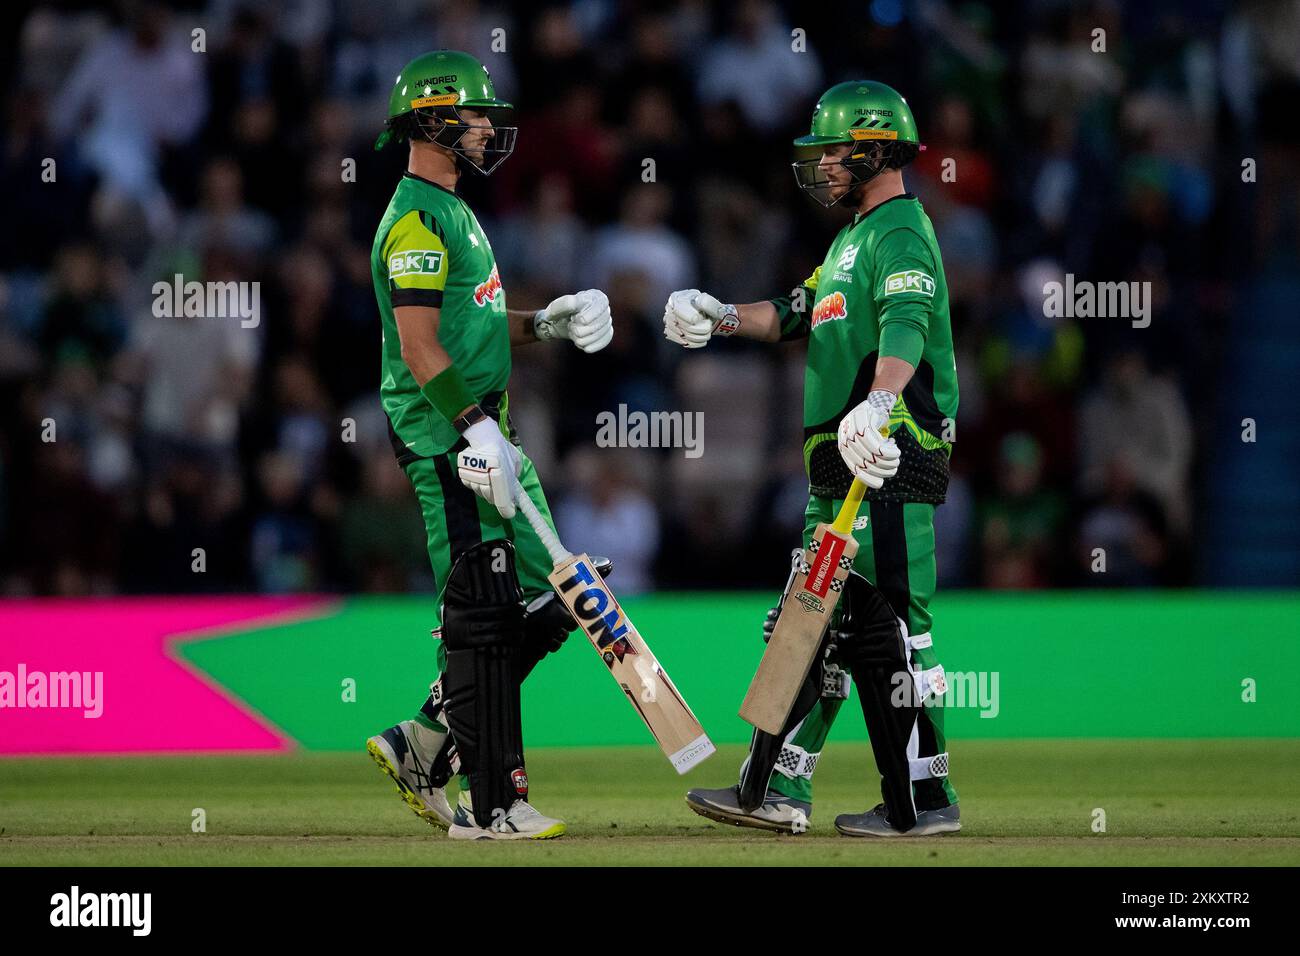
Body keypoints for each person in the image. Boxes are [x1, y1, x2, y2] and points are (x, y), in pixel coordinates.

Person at [669, 81, 961, 837]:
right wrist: (724, 316)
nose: (823, 163)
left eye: (834, 150)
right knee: (819, 623)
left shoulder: (900, 232)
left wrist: (880, 403)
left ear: (873, 149)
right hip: (843, 465)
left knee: (887, 628)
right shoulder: (852, 239)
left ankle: (920, 800)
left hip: (887, 460)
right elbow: (800, 311)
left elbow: (908, 322)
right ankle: (785, 787)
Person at [363, 51, 613, 841]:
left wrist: (544, 324)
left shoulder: (454, 209)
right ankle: (495, 804)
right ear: (433, 120)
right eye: (473, 116)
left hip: (482, 428)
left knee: (563, 590)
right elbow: (418, 346)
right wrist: (473, 430)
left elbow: (464, 330)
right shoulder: (415, 219)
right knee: (484, 609)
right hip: (447, 439)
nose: (485, 129)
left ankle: (424, 737)